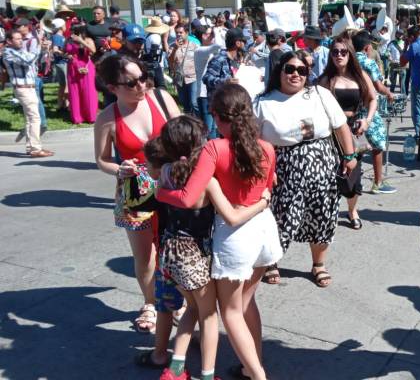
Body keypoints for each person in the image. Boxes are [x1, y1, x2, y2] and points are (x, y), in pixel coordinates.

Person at [156, 86, 279, 380]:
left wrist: (161, 194)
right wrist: (261, 202)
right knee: (247, 303)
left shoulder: (215, 148)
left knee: (231, 312)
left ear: (217, 116)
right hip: (264, 229)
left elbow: (187, 198)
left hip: (235, 237)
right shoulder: (267, 148)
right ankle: (252, 367)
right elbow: (268, 187)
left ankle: (259, 376)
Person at [93, 54, 180, 336]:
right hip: (135, 190)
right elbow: (102, 159)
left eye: (143, 77)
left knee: (176, 247)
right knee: (145, 255)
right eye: (131, 83)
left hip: (171, 183)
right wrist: (119, 168)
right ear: (112, 87)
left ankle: (176, 300)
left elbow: (185, 135)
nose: (141, 85)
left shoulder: (161, 99)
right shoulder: (107, 118)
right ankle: (150, 304)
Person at [254, 52, 358, 288]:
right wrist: (265, 170)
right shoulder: (262, 102)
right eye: (290, 69)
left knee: (323, 215)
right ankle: (271, 262)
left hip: (322, 163)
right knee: (279, 217)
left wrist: (350, 156)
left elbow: (340, 125)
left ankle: (319, 264)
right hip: (282, 168)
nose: (295, 75)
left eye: (302, 71)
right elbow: (253, 140)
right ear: (279, 71)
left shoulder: (319, 94)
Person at [318, 36, 378, 231]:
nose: (339, 55)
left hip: (354, 130)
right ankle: (330, 212)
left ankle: (353, 211)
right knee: (331, 174)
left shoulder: (360, 76)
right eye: (335, 52)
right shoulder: (325, 80)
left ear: (350, 54)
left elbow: (373, 99)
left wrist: (367, 120)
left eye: (343, 52)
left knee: (353, 175)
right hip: (331, 132)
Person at [352, 31, 397, 194]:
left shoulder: (347, 60)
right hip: (366, 108)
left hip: (350, 109)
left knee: (354, 146)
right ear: (366, 47)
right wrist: (390, 93)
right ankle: (378, 182)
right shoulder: (368, 62)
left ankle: (354, 181)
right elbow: (378, 87)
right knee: (378, 144)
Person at [3, 28, 53, 157]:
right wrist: (37, 43)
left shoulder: (20, 51)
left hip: (30, 87)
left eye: (22, 39)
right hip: (23, 88)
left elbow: (35, 61)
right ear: (9, 41)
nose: (21, 41)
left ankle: (31, 147)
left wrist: (44, 49)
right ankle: (36, 149)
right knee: (35, 118)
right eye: (18, 39)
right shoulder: (8, 52)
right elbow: (28, 60)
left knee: (30, 119)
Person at [64, 23, 99, 124]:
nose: (73, 34)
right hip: (73, 67)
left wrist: (81, 42)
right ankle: (77, 117)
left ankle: (90, 116)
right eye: (72, 32)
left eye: (76, 32)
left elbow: (93, 51)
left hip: (86, 66)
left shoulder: (88, 40)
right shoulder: (68, 40)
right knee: (75, 92)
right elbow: (64, 51)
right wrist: (67, 55)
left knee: (88, 91)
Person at [193, 26, 222, 138]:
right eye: (211, 34)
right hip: (204, 94)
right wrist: (216, 32)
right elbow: (218, 45)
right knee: (208, 128)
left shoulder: (210, 50)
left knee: (215, 127)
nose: (213, 37)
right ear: (203, 36)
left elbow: (221, 47)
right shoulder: (200, 50)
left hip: (214, 93)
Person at [202, 28, 247, 99]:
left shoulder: (240, 59)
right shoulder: (219, 59)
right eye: (243, 41)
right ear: (237, 43)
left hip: (236, 101)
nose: (245, 44)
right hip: (221, 103)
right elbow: (206, 78)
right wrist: (225, 82)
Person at [169, 22, 199, 115]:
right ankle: (189, 121)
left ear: (186, 33)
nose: (178, 35)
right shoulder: (172, 46)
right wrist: (175, 49)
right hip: (180, 79)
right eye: (177, 32)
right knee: (184, 103)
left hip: (193, 77)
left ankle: (199, 121)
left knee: (194, 102)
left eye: (180, 32)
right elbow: (170, 61)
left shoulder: (194, 45)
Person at [49, 18, 69, 112]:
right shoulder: (57, 36)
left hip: (61, 62)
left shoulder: (59, 36)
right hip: (62, 63)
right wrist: (65, 55)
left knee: (63, 85)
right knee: (65, 85)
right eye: (65, 25)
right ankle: (64, 104)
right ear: (61, 27)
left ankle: (62, 104)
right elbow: (55, 49)